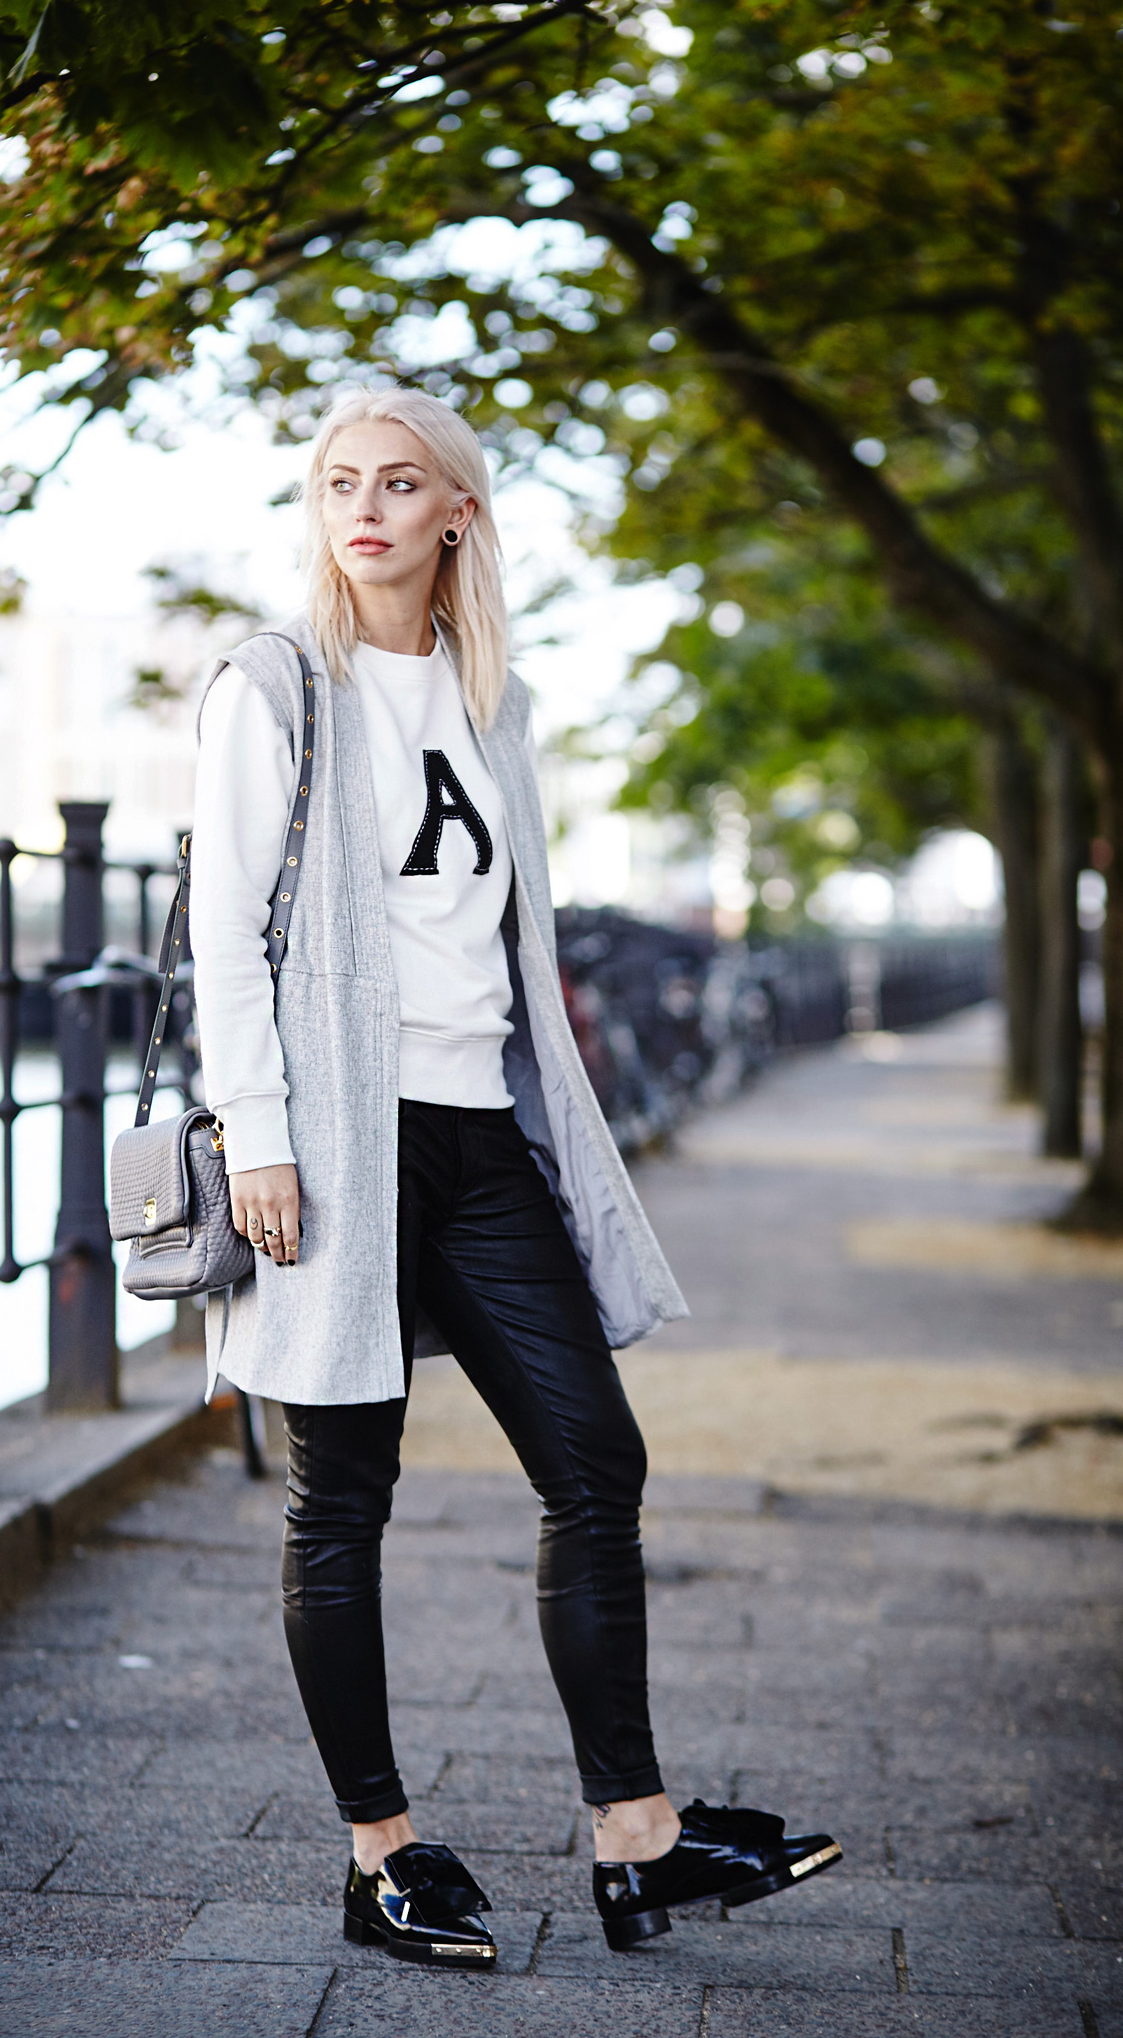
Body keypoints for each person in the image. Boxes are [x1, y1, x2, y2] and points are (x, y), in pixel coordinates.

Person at [189, 388, 841, 1967]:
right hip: (337, 1147)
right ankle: (382, 1853)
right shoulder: (274, 687)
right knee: (341, 1500)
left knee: (594, 1462)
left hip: (481, 1142)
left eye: (399, 483)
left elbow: (506, 938)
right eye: (340, 482)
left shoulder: (500, 698)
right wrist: (260, 1134)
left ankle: (639, 1841)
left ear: (454, 512)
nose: (366, 508)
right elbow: (224, 934)